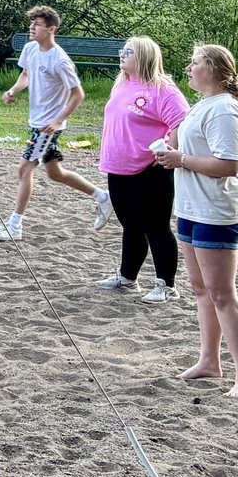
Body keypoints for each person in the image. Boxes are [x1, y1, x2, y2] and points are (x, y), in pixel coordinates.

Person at [155, 43, 238, 396]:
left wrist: (180, 159)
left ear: (214, 69)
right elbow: (189, 148)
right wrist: (169, 150)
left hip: (216, 210)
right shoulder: (202, 105)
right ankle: (209, 361)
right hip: (191, 207)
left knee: (222, 293)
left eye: (195, 62)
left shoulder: (225, 109)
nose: (189, 68)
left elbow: (228, 165)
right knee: (201, 289)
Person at [0, 5, 106, 240]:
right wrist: (14, 90)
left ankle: (15, 226)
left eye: (37, 24)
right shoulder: (30, 49)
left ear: (51, 29)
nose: (32, 27)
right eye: (31, 23)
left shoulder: (60, 60)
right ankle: (102, 196)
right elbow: (26, 74)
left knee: (24, 169)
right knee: (55, 173)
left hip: (47, 127)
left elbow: (78, 94)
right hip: (37, 121)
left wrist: (58, 120)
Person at [95, 36, 188, 299]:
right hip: (118, 167)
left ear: (145, 57)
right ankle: (127, 277)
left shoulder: (162, 88)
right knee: (130, 225)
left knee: (156, 227)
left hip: (149, 169)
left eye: (129, 52)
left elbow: (183, 122)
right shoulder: (122, 83)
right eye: (122, 51)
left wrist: (167, 149)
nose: (122, 55)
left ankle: (166, 285)